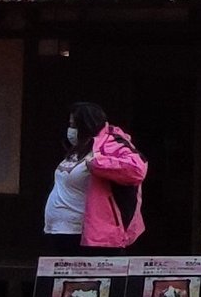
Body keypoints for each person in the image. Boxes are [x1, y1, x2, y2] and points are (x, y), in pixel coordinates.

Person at [43, 102, 147, 254]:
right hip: (59, 230)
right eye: (70, 125)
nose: (71, 130)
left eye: (74, 126)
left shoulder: (111, 144)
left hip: (87, 235)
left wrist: (97, 163)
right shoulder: (77, 149)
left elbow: (137, 169)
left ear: (86, 125)